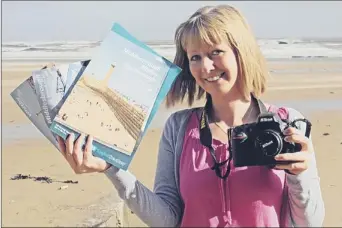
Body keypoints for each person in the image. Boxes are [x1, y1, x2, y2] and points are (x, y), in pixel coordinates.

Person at [57, 4, 325, 227]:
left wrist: (301, 174)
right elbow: (167, 218)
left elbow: (309, 222)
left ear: (241, 53)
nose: (205, 67)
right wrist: (111, 168)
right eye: (194, 57)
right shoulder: (179, 127)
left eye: (215, 52)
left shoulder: (286, 122)